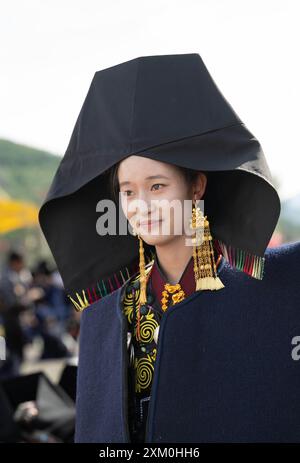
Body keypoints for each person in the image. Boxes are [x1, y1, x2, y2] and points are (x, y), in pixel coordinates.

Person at [38, 53, 300, 443]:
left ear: (196, 186)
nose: (140, 206)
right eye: (128, 192)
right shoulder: (106, 315)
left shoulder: (273, 290)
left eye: (157, 186)